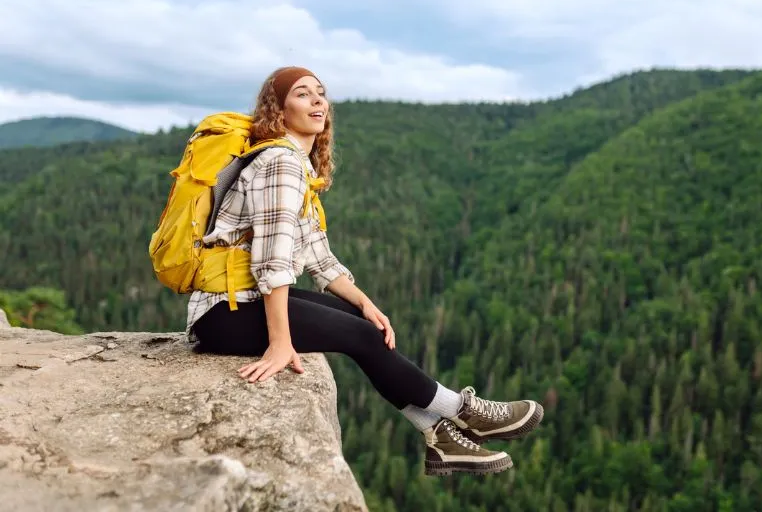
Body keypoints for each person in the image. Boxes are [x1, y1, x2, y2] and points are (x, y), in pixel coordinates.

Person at [186, 66, 544, 476]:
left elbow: (318, 258)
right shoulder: (279, 164)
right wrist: (279, 342)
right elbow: (275, 259)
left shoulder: (296, 166)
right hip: (222, 315)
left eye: (321, 93)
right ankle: (462, 411)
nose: (319, 101)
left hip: (240, 303)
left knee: (363, 323)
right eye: (303, 95)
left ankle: (438, 436)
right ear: (279, 111)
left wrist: (365, 303)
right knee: (359, 336)